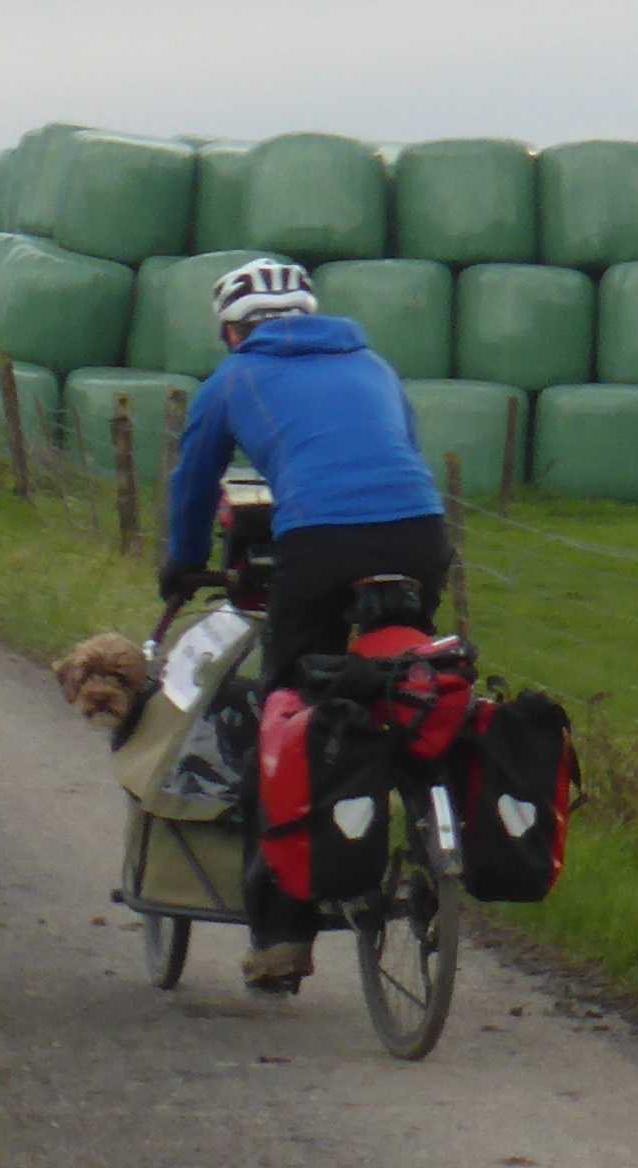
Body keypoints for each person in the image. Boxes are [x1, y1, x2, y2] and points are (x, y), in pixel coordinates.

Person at [155, 256, 450, 992]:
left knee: (284, 712)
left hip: (319, 544)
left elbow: (195, 481)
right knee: (404, 682)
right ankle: (417, 823)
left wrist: (182, 562)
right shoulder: (374, 363)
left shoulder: (232, 378)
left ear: (232, 329)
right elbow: (402, 448)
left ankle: (282, 933)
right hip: (420, 534)